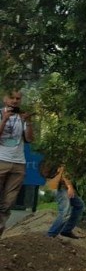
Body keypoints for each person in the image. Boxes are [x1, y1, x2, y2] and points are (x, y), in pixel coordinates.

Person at [0, 89, 33, 238]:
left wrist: (28, 122)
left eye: (18, 98)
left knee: (9, 201)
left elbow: (30, 139)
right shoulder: (1, 114)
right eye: (11, 98)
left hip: (19, 163)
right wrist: (4, 120)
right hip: (1, 160)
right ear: (4, 99)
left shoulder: (22, 116)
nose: (14, 101)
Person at [45, 166, 86, 239]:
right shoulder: (68, 159)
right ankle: (50, 235)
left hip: (63, 187)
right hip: (60, 187)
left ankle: (66, 231)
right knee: (65, 213)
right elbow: (64, 171)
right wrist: (70, 187)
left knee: (79, 205)